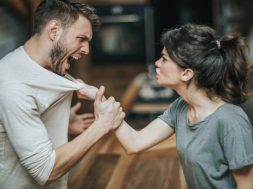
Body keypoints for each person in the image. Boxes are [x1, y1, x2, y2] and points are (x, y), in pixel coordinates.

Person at [0, 0, 125, 188]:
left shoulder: (42, 66)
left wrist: (62, 124)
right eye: (81, 39)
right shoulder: (13, 84)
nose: (86, 50)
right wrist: (101, 126)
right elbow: (45, 171)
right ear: (54, 31)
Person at [113, 24, 253, 189]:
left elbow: (246, 185)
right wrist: (102, 104)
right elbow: (134, 143)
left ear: (186, 73)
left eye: (164, 59)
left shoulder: (231, 121)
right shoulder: (181, 107)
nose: (157, 63)